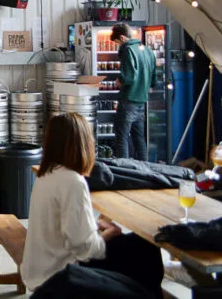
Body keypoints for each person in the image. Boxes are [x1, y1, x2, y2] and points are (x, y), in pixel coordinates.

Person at [21, 113, 164, 299]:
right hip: (61, 274)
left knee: (136, 246)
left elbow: (64, 228)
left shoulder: (47, 174)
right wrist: (108, 234)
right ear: (82, 143)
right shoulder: (73, 181)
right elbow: (85, 249)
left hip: (39, 268)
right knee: (145, 249)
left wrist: (94, 227)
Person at [111, 23, 157, 160]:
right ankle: (144, 169)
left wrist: (120, 81)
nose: (119, 45)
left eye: (118, 43)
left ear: (122, 37)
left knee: (122, 137)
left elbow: (129, 77)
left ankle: (124, 171)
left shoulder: (127, 50)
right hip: (142, 101)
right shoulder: (147, 50)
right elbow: (153, 79)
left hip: (128, 100)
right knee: (139, 138)